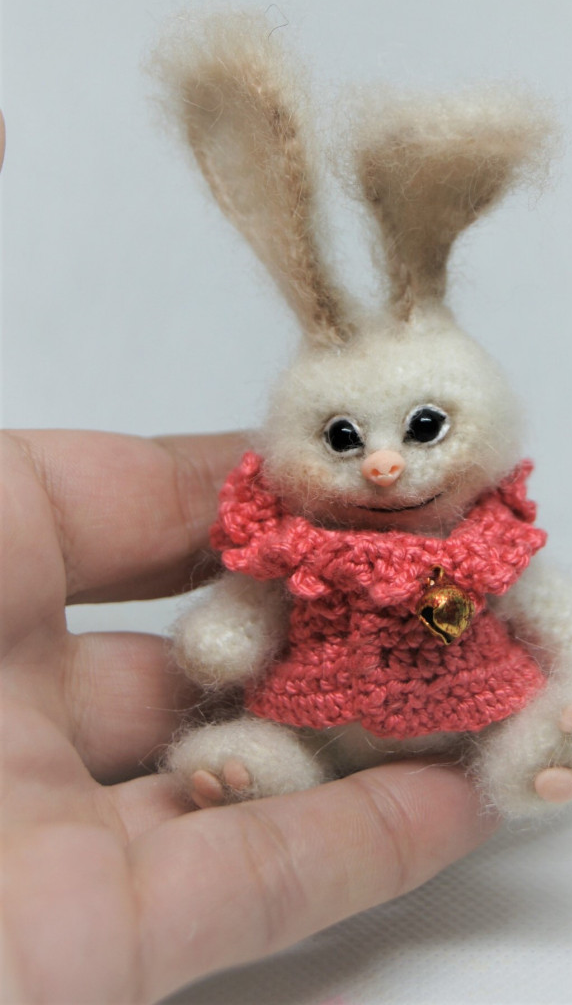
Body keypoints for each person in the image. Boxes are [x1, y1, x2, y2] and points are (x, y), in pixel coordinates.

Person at [0, 119, 495, 1005]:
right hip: (313, 711)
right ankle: (265, 774)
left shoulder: (486, 549)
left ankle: (535, 749)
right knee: (268, 739)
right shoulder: (291, 547)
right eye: (342, 438)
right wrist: (226, 634)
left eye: (423, 429)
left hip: (456, 709)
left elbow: (547, 619)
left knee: (519, 706)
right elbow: (248, 608)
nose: (384, 465)